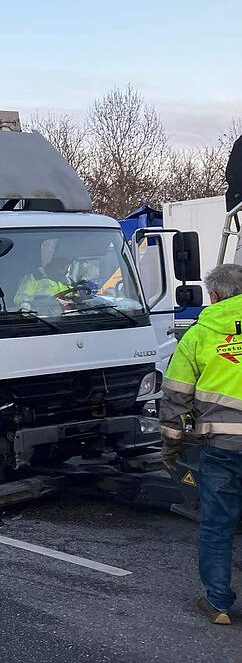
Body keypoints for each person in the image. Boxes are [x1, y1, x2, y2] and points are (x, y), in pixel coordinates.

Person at [162, 263, 242, 625]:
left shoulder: (200, 334)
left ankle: (219, 604)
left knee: (217, 525)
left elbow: (176, 399)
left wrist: (172, 447)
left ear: (213, 296)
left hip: (222, 450)